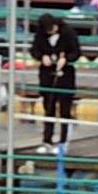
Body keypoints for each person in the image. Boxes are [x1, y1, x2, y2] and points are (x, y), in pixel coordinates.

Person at [27, 9, 83, 147]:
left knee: (65, 108)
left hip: (65, 75)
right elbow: (34, 50)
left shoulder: (68, 32)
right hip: (47, 75)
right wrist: (42, 56)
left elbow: (76, 51)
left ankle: (64, 140)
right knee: (49, 107)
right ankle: (47, 139)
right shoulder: (40, 35)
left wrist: (66, 59)